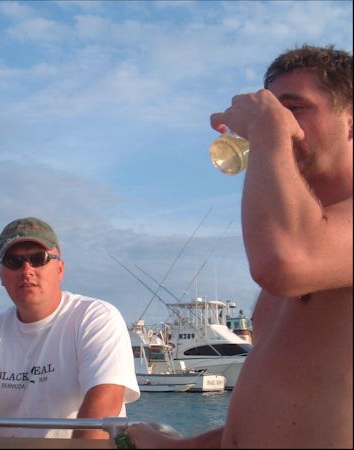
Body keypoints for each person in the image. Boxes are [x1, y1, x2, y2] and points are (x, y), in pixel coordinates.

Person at [126, 44, 352, 448]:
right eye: (273, 111)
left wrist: (268, 131)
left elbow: (285, 261)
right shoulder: (302, 236)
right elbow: (285, 411)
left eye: (295, 108)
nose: (282, 123)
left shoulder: (297, 246)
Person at [0, 217, 140, 439]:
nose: (26, 270)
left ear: (60, 269)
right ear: (1, 275)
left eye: (39, 259)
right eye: (14, 261)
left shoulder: (95, 318)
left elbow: (103, 411)